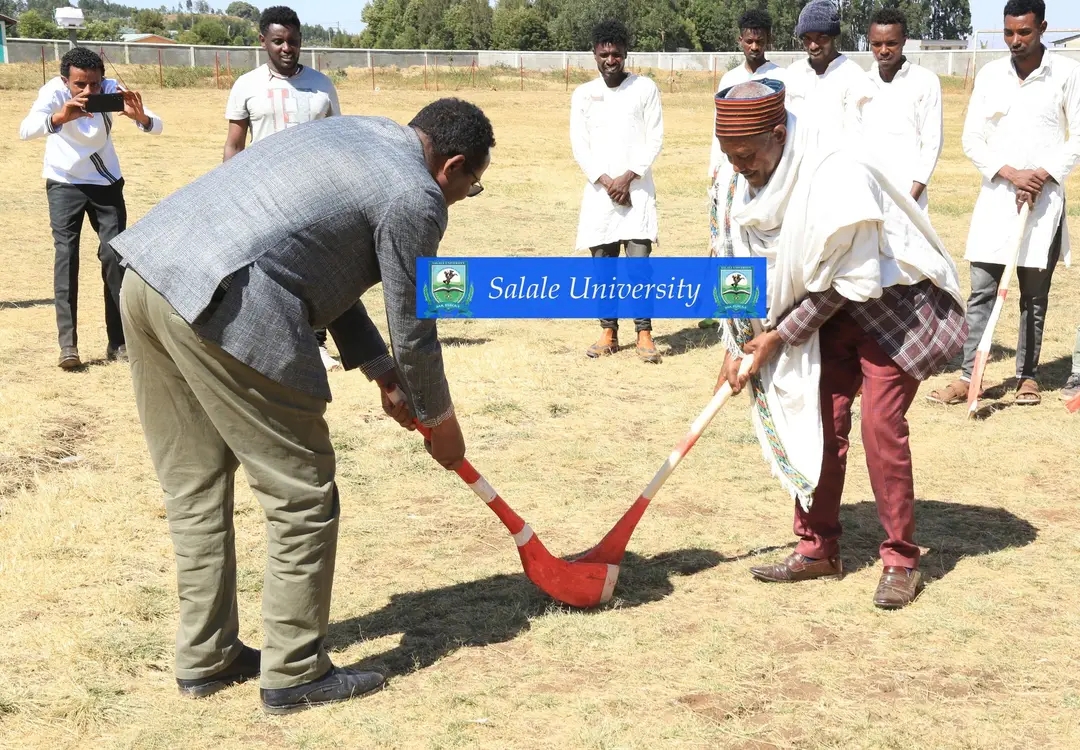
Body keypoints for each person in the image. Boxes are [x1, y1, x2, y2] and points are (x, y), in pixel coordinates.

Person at [110, 98, 494, 713]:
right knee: (303, 494)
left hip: (148, 276)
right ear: (451, 166)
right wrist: (441, 422)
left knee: (194, 484)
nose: (460, 199)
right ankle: (295, 672)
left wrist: (378, 369)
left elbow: (317, 258)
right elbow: (415, 320)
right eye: (470, 187)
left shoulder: (359, 132)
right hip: (224, 302)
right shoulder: (416, 196)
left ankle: (206, 655)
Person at [711, 79, 967, 610]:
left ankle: (900, 559)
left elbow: (843, 283)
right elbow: (734, 256)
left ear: (779, 134)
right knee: (819, 420)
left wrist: (775, 338)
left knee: (880, 425)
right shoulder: (738, 180)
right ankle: (817, 548)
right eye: (730, 157)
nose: (739, 167)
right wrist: (736, 342)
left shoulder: (836, 169)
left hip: (891, 306)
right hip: (830, 316)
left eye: (747, 155)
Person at [927, 0, 1080, 408]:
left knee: (1033, 295)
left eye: (1024, 32)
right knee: (981, 290)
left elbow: (1077, 138)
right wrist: (1012, 175)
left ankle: (1026, 376)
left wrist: (1041, 176)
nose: (1015, 40)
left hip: (1044, 203)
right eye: (1009, 32)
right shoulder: (992, 75)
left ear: (1042, 27)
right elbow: (972, 140)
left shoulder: (1066, 73)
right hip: (997, 199)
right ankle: (967, 376)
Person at [18, 46, 163, 370]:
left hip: (105, 183)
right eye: (79, 85)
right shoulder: (53, 92)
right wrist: (59, 118)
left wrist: (140, 117)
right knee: (66, 256)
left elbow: (158, 125)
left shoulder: (112, 91)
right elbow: (25, 129)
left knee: (114, 256)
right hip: (63, 180)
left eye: (94, 84)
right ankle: (68, 345)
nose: (88, 91)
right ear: (64, 81)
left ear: (103, 80)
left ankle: (120, 342)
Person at [223, 5, 344, 374]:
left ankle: (317, 343)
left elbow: (338, 138)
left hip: (314, 193)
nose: (286, 48)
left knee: (317, 269)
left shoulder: (322, 85)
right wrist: (230, 188)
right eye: (278, 41)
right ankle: (267, 341)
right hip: (264, 194)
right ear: (263, 42)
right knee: (267, 270)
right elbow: (234, 144)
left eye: (293, 41)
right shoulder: (246, 85)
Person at [570, 19, 664, 364]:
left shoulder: (645, 89)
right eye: (604, 53)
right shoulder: (583, 94)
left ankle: (644, 333)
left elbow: (655, 138)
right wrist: (608, 182)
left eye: (616, 54)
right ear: (594, 55)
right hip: (600, 196)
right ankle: (608, 332)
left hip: (637, 194)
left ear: (626, 54)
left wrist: (628, 177)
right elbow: (580, 145)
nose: (611, 60)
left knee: (639, 267)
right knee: (603, 270)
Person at [702, 9, 783, 329]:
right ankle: (733, 310)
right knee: (730, 241)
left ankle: (767, 309)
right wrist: (715, 173)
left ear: (769, 41)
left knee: (762, 243)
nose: (754, 46)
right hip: (731, 176)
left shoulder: (782, 79)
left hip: (766, 177)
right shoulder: (729, 80)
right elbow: (718, 131)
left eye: (760, 41)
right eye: (749, 41)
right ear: (740, 40)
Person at [861, 8, 943, 212]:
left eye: (891, 43)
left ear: (904, 40)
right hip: (868, 196)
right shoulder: (861, 83)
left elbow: (932, 144)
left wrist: (910, 201)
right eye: (876, 44)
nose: (883, 50)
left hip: (909, 197)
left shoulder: (924, 81)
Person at [784, 0, 875, 162]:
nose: (813, 46)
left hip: (836, 171)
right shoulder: (793, 73)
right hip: (796, 169)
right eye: (807, 38)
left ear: (834, 36)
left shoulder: (853, 75)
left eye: (821, 37)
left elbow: (858, 137)